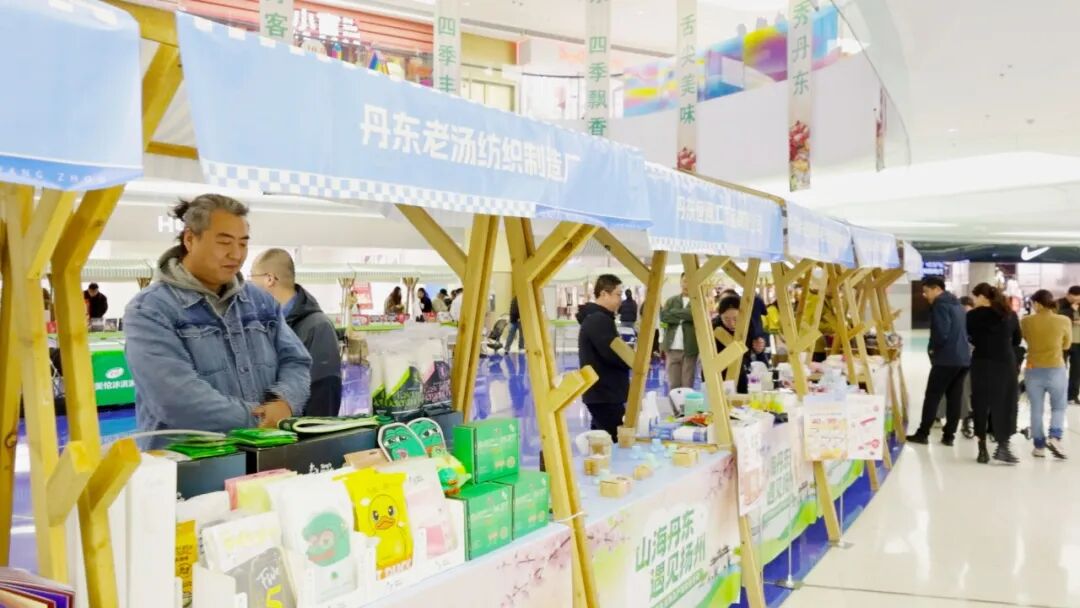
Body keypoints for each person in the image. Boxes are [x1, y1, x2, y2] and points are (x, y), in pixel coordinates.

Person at [124, 195, 311, 449]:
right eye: (224, 242)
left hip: (265, 456)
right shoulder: (151, 310)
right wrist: (260, 419)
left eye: (243, 243)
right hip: (190, 462)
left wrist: (285, 401)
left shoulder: (260, 302)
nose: (236, 254)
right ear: (190, 239)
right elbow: (176, 399)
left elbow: (296, 361)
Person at [251, 248, 343, 417]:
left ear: (269, 279)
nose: (249, 286)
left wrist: (306, 434)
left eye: (252, 277)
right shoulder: (269, 324)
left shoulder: (318, 327)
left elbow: (324, 394)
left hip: (298, 430)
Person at [907, 276, 971, 446]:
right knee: (954, 397)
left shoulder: (940, 305)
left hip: (946, 359)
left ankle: (923, 433)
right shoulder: (957, 304)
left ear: (936, 288)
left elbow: (941, 333)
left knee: (933, 395)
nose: (925, 295)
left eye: (926, 291)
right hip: (963, 358)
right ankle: (949, 436)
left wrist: (933, 350)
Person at [966, 283, 1020, 464]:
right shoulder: (1009, 314)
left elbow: (969, 336)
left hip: (981, 361)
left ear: (982, 297)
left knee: (981, 403)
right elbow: (1017, 339)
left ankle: (982, 449)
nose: (974, 300)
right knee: (1005, 402)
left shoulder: (972, 316)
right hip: (1004, 362)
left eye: (975, 297)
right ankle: (1002, 445)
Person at [577, 274, 631, 441]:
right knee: (613, 439)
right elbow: (612, 353)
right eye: (618, 294)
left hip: (603, 392)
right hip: (604, 393)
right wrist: (631, 360)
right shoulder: (598, 320)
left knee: (600, 440)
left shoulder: (600, 318)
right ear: (603, 294)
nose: (620, 300)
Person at [1021, 289, 1071, 459]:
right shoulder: (1063, 320)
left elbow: (1026, 339)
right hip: (1056, 368)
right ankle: (1055, 437)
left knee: (1036, 409)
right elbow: (1066, 345)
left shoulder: (1026, 321)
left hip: (1033, 369)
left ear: (1037, 303)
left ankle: (1039, 446)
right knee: (1058, 406)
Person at [713, 295, 769, 393]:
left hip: (742, 372)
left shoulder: (749, 325)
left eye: (735, 319)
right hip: (718, 375)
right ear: (720, 316)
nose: (731, 323)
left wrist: (759, 348)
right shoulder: (714, 328)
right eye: (726, 319)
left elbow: (756, 348)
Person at [661, 273, 698, 391]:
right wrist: (685, 315)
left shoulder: (698, 301)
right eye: (685, 281)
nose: (687, 284)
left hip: (690, 349)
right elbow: (664, 317)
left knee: (687, 384)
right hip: (672, 348)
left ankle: (687, 405)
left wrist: (674, 312)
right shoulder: (671, 300)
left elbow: (694, 315)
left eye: (690, 281)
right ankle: (674, 405)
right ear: (681, 282)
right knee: (673, 385)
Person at [1057, 285, 1080, 404]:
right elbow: (1057, 317)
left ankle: (1072, 396)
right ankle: (1059, 395)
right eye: (1074, 298)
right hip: (1062, 342)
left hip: (1078, 342)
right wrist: (1071, 309)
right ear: (1068, 295)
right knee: (1060, 369)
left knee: (1076, 371)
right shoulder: (1060, 303)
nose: (1076, 301)